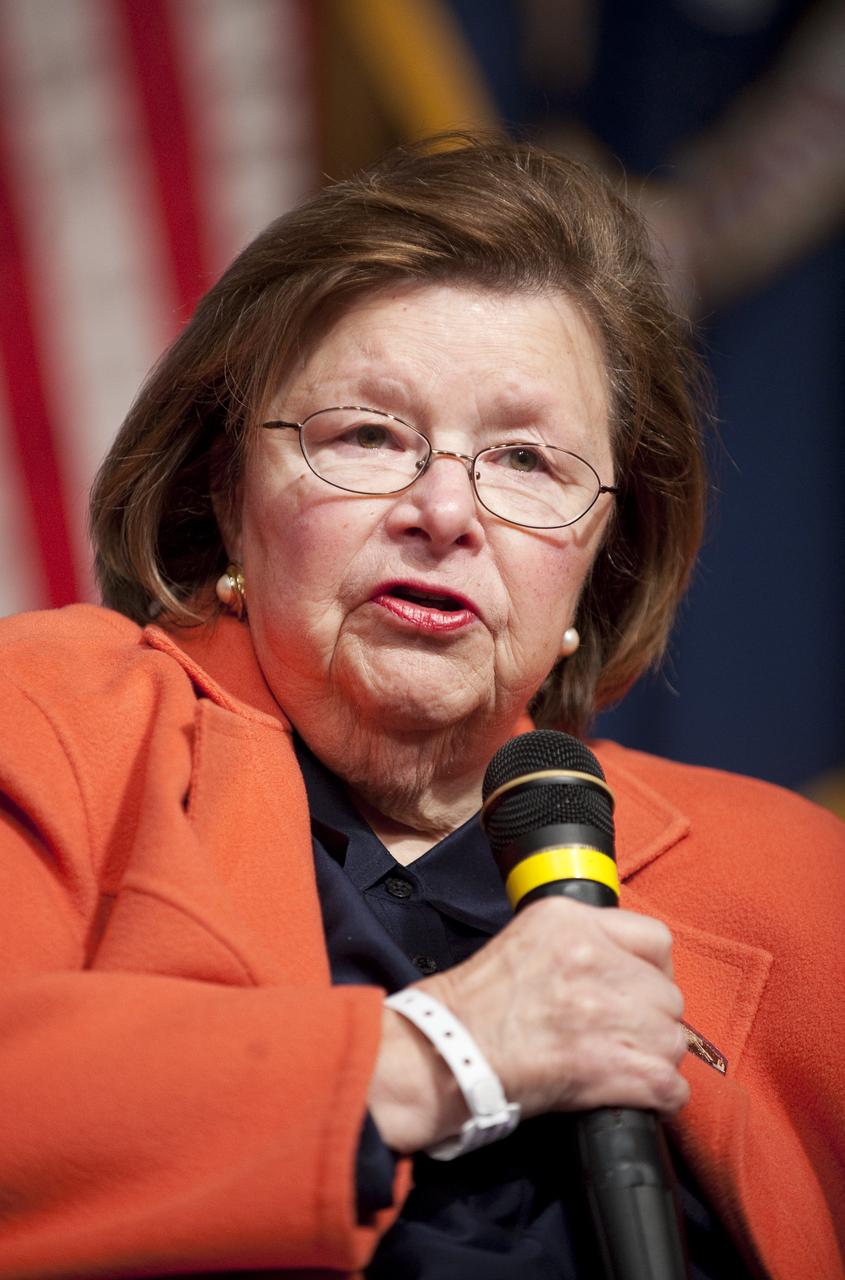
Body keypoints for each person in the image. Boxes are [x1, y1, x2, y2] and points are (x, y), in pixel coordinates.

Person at [0, 136, 842, 1280]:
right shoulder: (55, 719)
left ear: (602, 557)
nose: (443, 509)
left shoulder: (797, 880)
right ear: (225, 492)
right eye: (368, 435)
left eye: (528, 462)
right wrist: (443, 1051)